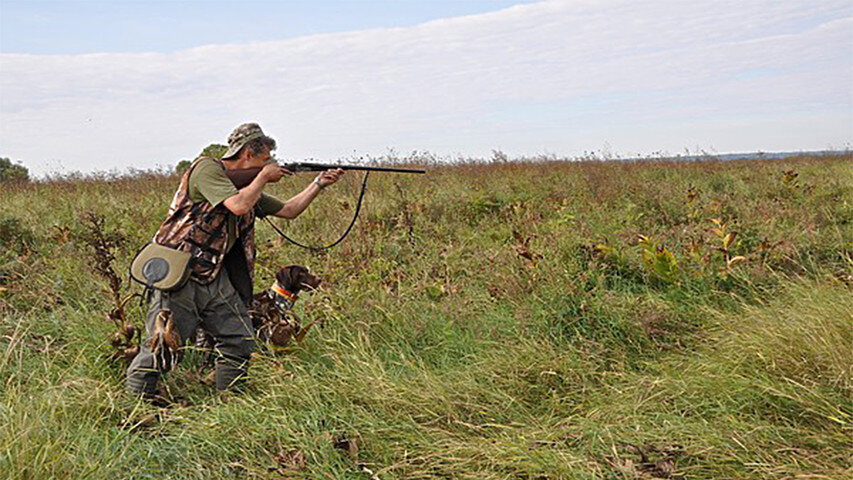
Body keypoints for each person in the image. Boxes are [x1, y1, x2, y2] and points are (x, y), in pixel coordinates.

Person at [126, 123, 343, 398]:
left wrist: (318, 184)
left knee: (239, 339)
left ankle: (231, 402)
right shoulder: (206, 169)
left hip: (214, 275)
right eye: (266, 159)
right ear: (249, 154)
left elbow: (289, 210)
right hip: (180, 274)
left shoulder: (245, 187)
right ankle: (135, 409)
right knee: (162, 346)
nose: (271, 164)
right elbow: (238, 206)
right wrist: (263, 177)